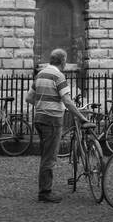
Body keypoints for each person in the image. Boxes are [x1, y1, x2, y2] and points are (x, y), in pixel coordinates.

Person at [29, 49, 89, 202]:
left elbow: (29, 98)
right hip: (52, 120)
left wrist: (43, 103)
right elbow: (68, 101)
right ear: (62, 61)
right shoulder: (58, 76)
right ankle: (45, 193)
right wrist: (81, 118)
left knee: (45, 156)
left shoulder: (40, 74)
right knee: (49, 159)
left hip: (39, 118)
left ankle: (44, 189)